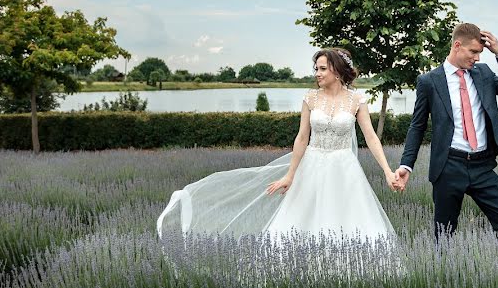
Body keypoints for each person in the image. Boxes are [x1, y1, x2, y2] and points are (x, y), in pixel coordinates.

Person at [157, 48, 399, 242]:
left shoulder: (357, 99)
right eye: (316, 68)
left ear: (337, 70)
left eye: (322, 68)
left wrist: (388, 172)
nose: (317, 73)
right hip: (311, 166)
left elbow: (370, 137)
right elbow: (302, 137)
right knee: (300, 223)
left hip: (344, 170)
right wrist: (290, 175)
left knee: (347, 221)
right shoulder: (310, 98)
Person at [394, 23, 498, 239]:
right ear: (457, 46)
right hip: (448, 166)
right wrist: (406, 164)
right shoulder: (429, 81)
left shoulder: (483, 73)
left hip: (482, 166)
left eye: (480, 53)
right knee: (444, 236)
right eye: (473, 52)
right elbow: (417, 125)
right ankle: (444, 272)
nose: (478, 58)